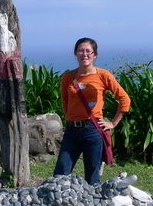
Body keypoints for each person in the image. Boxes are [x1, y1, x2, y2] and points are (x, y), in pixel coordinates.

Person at [53, 37, 131, 184]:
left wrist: (113, 123)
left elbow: (125, 99)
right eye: (81, 51)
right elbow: (65, 103)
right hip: (71, 131)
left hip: (92, 130)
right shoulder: (68, 77)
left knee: (92, 178)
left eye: (89, 51)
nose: (85, 54)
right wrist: (71, 118)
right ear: (75, 53)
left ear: (95, 55)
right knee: (59, 175)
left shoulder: (103, 75)